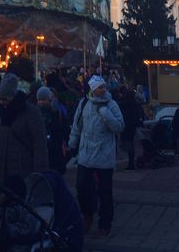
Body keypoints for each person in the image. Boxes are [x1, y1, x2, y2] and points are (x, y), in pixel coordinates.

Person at [68, 75, 124, 236]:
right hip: (86, 153)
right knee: (81, 186)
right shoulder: (84, 103)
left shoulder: (111, 104)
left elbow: (119, 126)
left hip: (104, 154)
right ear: (92, 89)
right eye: (99, 87)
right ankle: (87, 214)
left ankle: (105, 223)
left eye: (104, 87)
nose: (103, 89)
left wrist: (105, 113)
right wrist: (73, 142)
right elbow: (77, 125)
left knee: (105, 192)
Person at [0, 73, 49, 184]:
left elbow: (39, 145)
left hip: (24, 171)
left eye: (4, 99)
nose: (2, 103)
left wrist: (39, 175)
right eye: (0, 100)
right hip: (6, 172)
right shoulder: (3, 115)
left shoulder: (31, 114)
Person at [36, 86, 67, 174]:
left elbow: (64, 130)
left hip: (56, 152)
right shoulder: (34, 115)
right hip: (42, 152)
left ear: (49, 99)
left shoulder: (58, 113)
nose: (41, 102)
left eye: (43, 99)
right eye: (39, 100)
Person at [117, 86, 143, 170]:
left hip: (126, 124)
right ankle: (131, 162)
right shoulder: (135, 103)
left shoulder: (123, 103)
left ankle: (130, 162)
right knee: (131, 142)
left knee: (127, 142)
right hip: (132, 125)